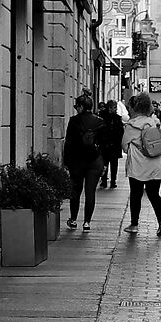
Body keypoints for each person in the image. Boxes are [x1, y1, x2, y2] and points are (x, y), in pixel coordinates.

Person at [121, 90, 161, 236]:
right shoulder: (154, 122)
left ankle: (134, 224)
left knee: (136, 194)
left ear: (134, 108)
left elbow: (124, 146)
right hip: (155, 164)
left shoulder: (132, 125)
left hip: (138, 165)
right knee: (154, 194)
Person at [63, 92, 107, 233]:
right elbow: (104, 144)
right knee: (90, 192)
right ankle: (87, 222)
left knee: (75, 190)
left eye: (76, 106)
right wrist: (104, 163)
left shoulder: (74, 121)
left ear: (81, 106)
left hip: (77, 160)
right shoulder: (100, 121)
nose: (76, 108)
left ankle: (74, 219)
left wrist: (66, 162)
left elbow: (68, 143)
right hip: (95, 160)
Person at [99, 100, 125, 188]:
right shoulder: (102, 117)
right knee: (105, 163)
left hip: (113, 144)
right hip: (106, 144)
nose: (116, 109)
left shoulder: (117, 118)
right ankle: (104, 180)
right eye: (115, 108)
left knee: (112, 164)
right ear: (110, 108)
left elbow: (120, 132)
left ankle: (112, 180)